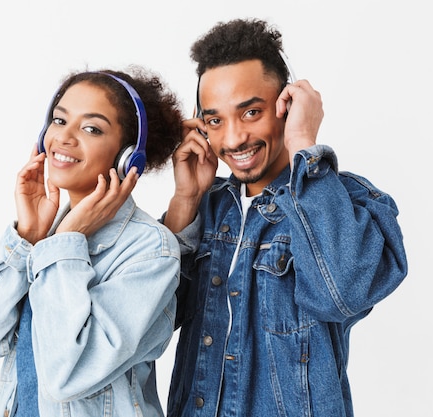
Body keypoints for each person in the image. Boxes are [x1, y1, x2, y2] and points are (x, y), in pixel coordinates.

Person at [162, 18, 408, 417]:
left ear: (286, 106)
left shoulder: (345, 200)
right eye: (215, 120)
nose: (234, 138)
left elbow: (343, 294)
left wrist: (302, 146)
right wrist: (185, 199)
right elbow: (148, 324)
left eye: (251, 112)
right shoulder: (205, 207)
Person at [0, 67, 184, 417]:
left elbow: (66, 376)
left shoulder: (150, 251)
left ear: (127, 155)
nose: (64, 138)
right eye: (59, 121)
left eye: (91, 128)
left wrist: (66, 243)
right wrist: (27, 238)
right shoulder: (46, 234)